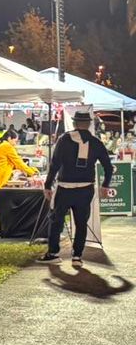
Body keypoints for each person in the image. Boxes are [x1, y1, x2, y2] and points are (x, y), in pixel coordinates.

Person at [38, 110, 114, 266]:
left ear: (73, 123)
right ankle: (77, 256)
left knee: (56, 221)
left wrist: (47, 185)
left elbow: (55, 164)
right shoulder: (96, 142)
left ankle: (53, 253)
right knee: (81, 223)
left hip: (65, 188)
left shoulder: (64, 139)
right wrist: (105, 185)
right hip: (85, 189)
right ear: (89, 124)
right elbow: (109, 167)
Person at [0, 129, 37, 235]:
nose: (15, 144)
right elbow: (18, 162)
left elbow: (11, 162)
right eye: (15, 141)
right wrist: (32, 172)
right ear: (9, 138)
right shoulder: (6, 146)